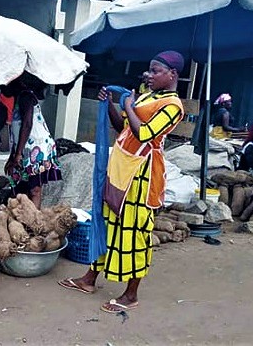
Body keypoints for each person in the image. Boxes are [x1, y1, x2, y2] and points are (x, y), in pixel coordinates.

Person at [58, 50, 185, 313]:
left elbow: (145, 134)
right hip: (122, 168)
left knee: (135, 234)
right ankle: (89, 279)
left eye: (155, 70)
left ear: (172, 75)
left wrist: (129, 103)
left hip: (142, 175)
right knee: (109, 224)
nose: (149, 75)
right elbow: (124, 128)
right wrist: (113, 105)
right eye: (148, 70)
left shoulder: (172, 106)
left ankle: (131, 294)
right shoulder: (149, 97)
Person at [4, 78, 61, 209]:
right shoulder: (18, 99)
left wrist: (17, 154)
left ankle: (34, 223)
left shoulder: (26, 97)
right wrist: (12, 156)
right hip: (26, 150)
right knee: (21, 187)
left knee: (34, 190)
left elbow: (27, 125)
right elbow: (17, 132)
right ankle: (23, 220)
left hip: (37, 150)